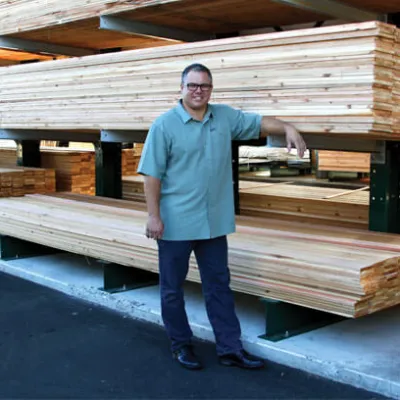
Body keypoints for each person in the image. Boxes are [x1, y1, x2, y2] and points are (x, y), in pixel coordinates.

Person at [138, 63, 306, 370]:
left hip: (213, 223)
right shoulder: (164, 126)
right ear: (182, 88)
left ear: (211, 89)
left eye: (204, 86)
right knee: (172, 289)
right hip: (175, 223)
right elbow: (151, 175)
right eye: (192, 85)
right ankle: (181, 344)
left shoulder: (224, 117)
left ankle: (230, 349)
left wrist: (287, 127)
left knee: (218, 287)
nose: (198, 91)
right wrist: (153, 216)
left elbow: (259, 122)